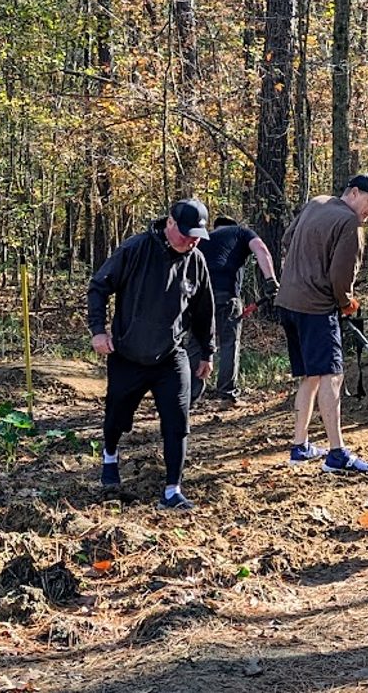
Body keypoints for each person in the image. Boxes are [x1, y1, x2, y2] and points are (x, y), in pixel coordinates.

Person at [88, 199, 217, 510]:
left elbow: (204, 311)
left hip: (171, 355)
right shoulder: (136, 249)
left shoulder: (196, 260)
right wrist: (98, 331)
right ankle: (110, 456)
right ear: (170, 224)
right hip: (128, 354)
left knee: (177, 420)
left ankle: (173, 489)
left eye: (198, 235)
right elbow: (99, 286)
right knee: (117, 415)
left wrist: (207, 352)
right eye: (187, 234)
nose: (193, 240)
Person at [274, 173, 368, 475]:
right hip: (316, 308)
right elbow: (341, 277)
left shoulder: (316, 204)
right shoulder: (349, 224)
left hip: (287, 303)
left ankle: (300, 446)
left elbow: (287, 239)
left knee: (310, 376)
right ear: (353, 193)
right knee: (331, 376)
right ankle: (336, 453)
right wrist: (346, 302)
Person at [190, 215, 278, 406]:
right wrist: (271, 281)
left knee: (197, 343)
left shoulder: (202, 237)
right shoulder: (242, 232)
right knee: (229, 342)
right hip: (225, 294)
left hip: (198, 296)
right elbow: (261, 250)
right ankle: (227, 393)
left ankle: (190, 395)